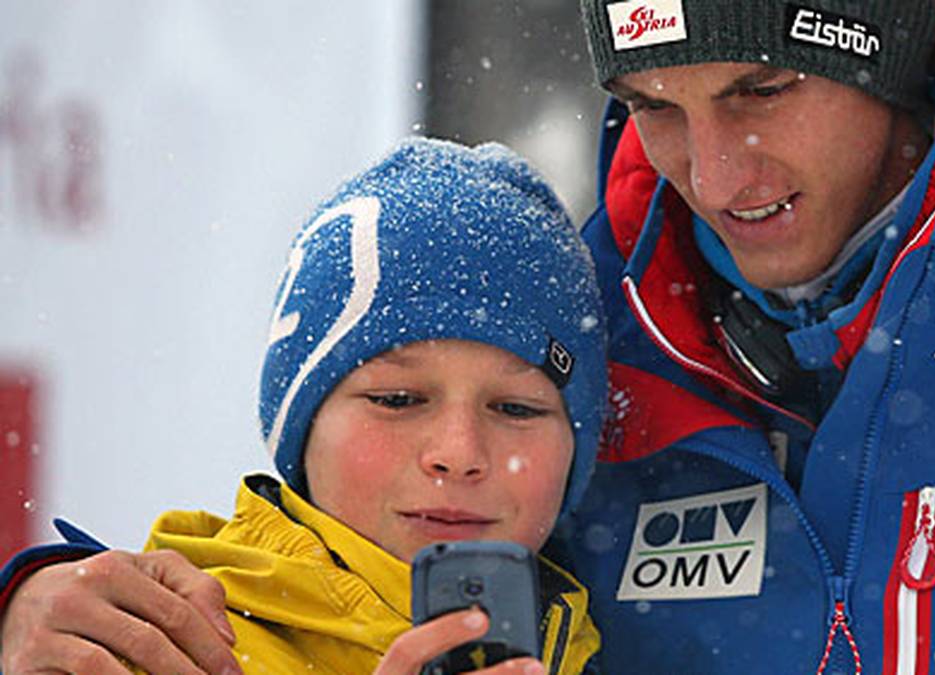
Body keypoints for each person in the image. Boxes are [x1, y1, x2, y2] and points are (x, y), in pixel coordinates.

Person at [4, 0, 935, 672]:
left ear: (889, 59)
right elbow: (307, 581)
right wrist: (33, 617)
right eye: (654, 109)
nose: (716, 175)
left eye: (760, 91)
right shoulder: (569, 363)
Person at [0, 137, 607, 674]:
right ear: (302, 425)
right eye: (397, 400)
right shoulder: (158, 650)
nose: (459, 453)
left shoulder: (617, 644)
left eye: (516, 409)